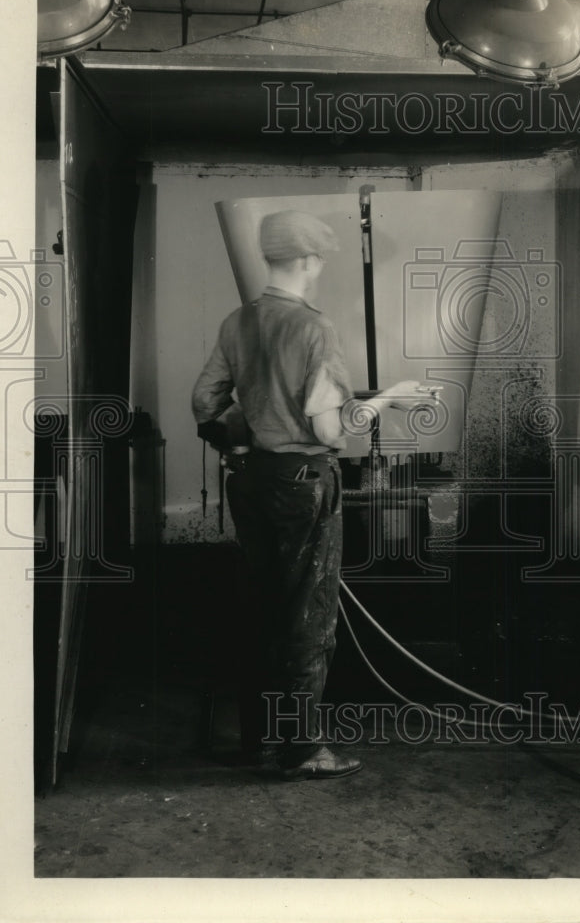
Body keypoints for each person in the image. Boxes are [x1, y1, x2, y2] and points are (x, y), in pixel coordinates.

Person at [191, 210, 424, 780]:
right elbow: (328, 427)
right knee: (308, 615)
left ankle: (260, 742)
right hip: (303, 484)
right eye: (318, 259)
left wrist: (245, 440)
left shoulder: (238, 322)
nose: (320, 268)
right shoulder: (314, 329)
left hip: (252, 482)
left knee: (261, 609)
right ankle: (302, 750)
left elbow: (205, 403)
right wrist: (388, 399)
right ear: (305, 260)